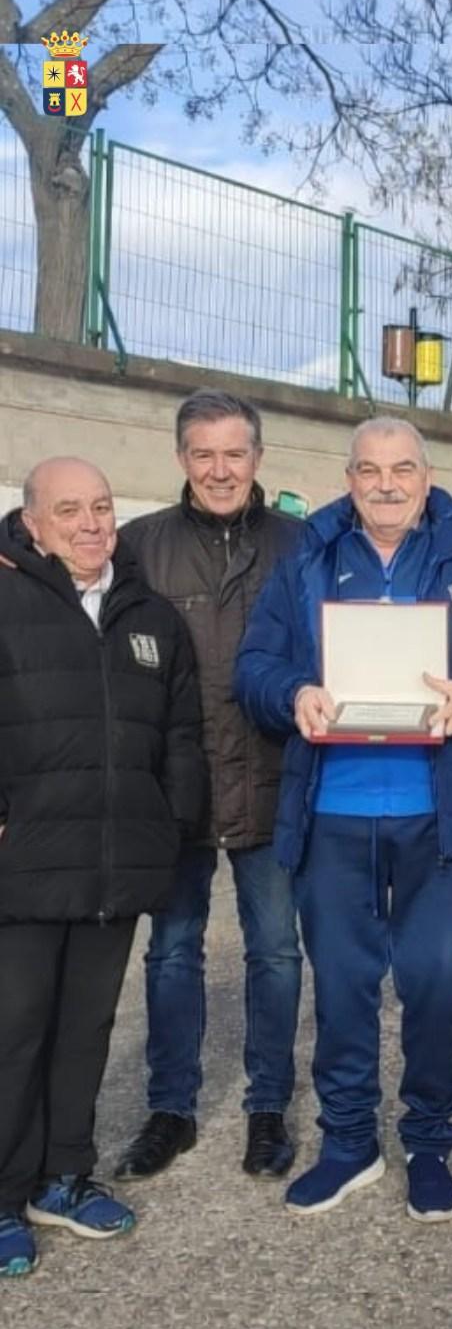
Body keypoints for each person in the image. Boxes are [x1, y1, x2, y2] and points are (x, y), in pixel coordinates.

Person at [234, 415, 452, 1223]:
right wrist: (293, 693)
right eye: (369, 470)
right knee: (344, 985)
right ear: (350, 477)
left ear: (427, 478)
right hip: (334, 811)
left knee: (437, 984)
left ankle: (430, 1141)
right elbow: (255, 665)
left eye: (403, 468)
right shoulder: (309, 560)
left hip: (441, 816)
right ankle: (349, 1142)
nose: (387, 483)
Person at [0, 458, 204, 1279]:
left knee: (86, 1030)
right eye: (69, 510)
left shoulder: (148, 613)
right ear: (34, 523)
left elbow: (181, 734)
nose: (90, 524)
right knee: (14, 1033)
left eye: (102, 507)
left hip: (115, 868)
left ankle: (63, 1178)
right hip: (25, 867)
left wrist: (171, 822)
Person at [113, 390, 304, 1183]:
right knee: (173, 953)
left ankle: (268, 1108)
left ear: (259, 458)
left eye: (235, 453)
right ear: (182, 458)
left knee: (275, 954)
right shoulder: (139, 546)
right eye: (204, 453)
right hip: (177, 790)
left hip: (272, 780)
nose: (220, 469)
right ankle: (172, 1109)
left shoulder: (303, 544)